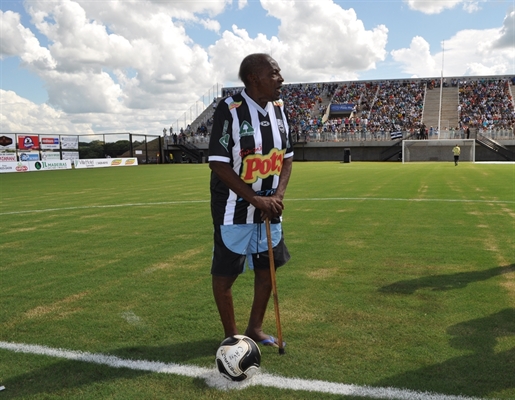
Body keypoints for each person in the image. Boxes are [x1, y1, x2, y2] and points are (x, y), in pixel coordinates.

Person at [208, 53, 294, 348]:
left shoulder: (281, 109)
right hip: (234, 208)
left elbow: (288, 159)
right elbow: (218, 163)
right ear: (254, 79)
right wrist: (255, 199)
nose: (280, 78)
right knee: (225, 274)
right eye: (274, 73)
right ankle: (232, 338)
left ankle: (255, 328)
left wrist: (277, 196)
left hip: (270, 207)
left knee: (267, 268)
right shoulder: (230, 109)